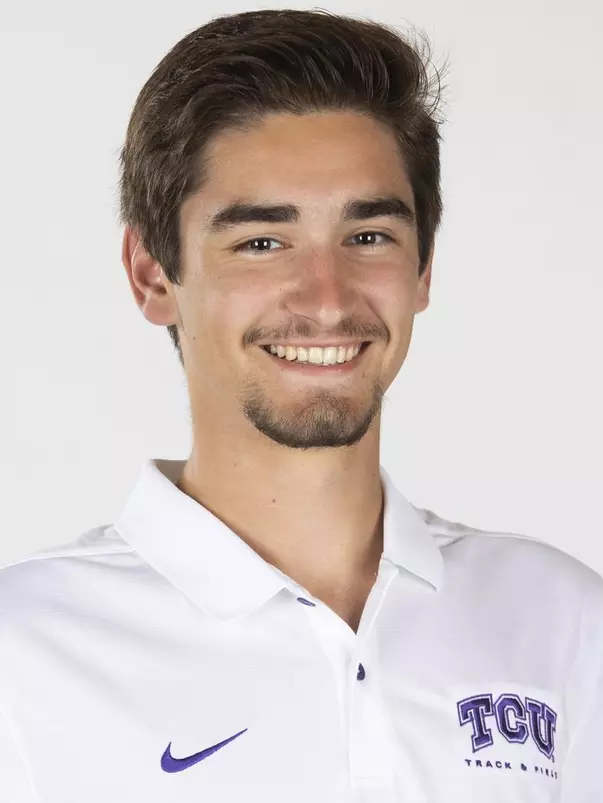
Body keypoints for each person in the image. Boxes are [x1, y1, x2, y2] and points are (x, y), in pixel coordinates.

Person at [1, 8, 601, 802]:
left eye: (369, 237)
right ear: (152, 276)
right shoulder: (24, 653)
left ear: (422, 268)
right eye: (260, 242)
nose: (326, 300)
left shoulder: (559, 620)